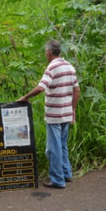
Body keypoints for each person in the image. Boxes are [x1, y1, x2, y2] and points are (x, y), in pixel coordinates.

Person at [17, 39, 80, 189]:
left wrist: (25, 97)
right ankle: (66, 173)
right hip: (66, 113)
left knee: (53, 148)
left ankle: (57, 179)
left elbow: (41, 87)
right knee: (62, 145)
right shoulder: (70, 67)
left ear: (48, 52)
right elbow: (77, 89)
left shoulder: (52, 68)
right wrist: (73, 109)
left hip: (54, 114)